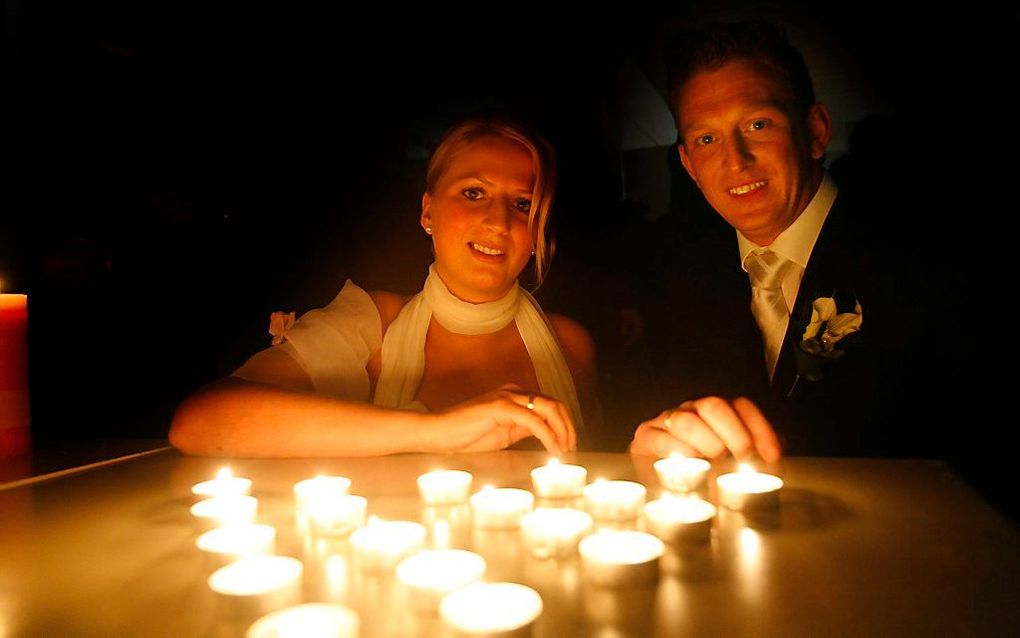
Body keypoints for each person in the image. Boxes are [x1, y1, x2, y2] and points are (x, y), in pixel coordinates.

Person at [170, 116, 595, 457]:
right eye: (473, 192)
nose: (499, 222)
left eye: (522, 204)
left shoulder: (570, 345)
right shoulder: (371, 324)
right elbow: (200, 422)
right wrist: (437, 431)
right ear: (428, 212)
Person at [630, 21, 941, 461]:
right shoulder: (678, 280)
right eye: (706, 139)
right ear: (688, 165)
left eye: (758, 125)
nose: (735, 161)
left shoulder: (932, 262)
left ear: (815, 132)